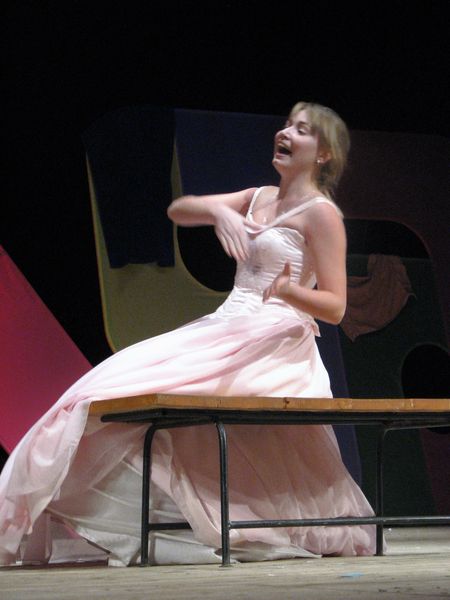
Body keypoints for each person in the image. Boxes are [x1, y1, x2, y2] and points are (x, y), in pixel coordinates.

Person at [0, 101, 376, 567]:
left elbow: (336, 307)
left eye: (301, 130)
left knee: (206, 419)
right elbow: (179, 210)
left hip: (276, 338)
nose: (286, 132)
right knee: (102, 391)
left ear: (323, 154)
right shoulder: (258, 196)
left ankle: (218, 523)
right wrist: (220, 212)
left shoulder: (322, 215)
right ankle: (178, 523)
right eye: (286, 124)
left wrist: (288, 290)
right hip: (228, 325)